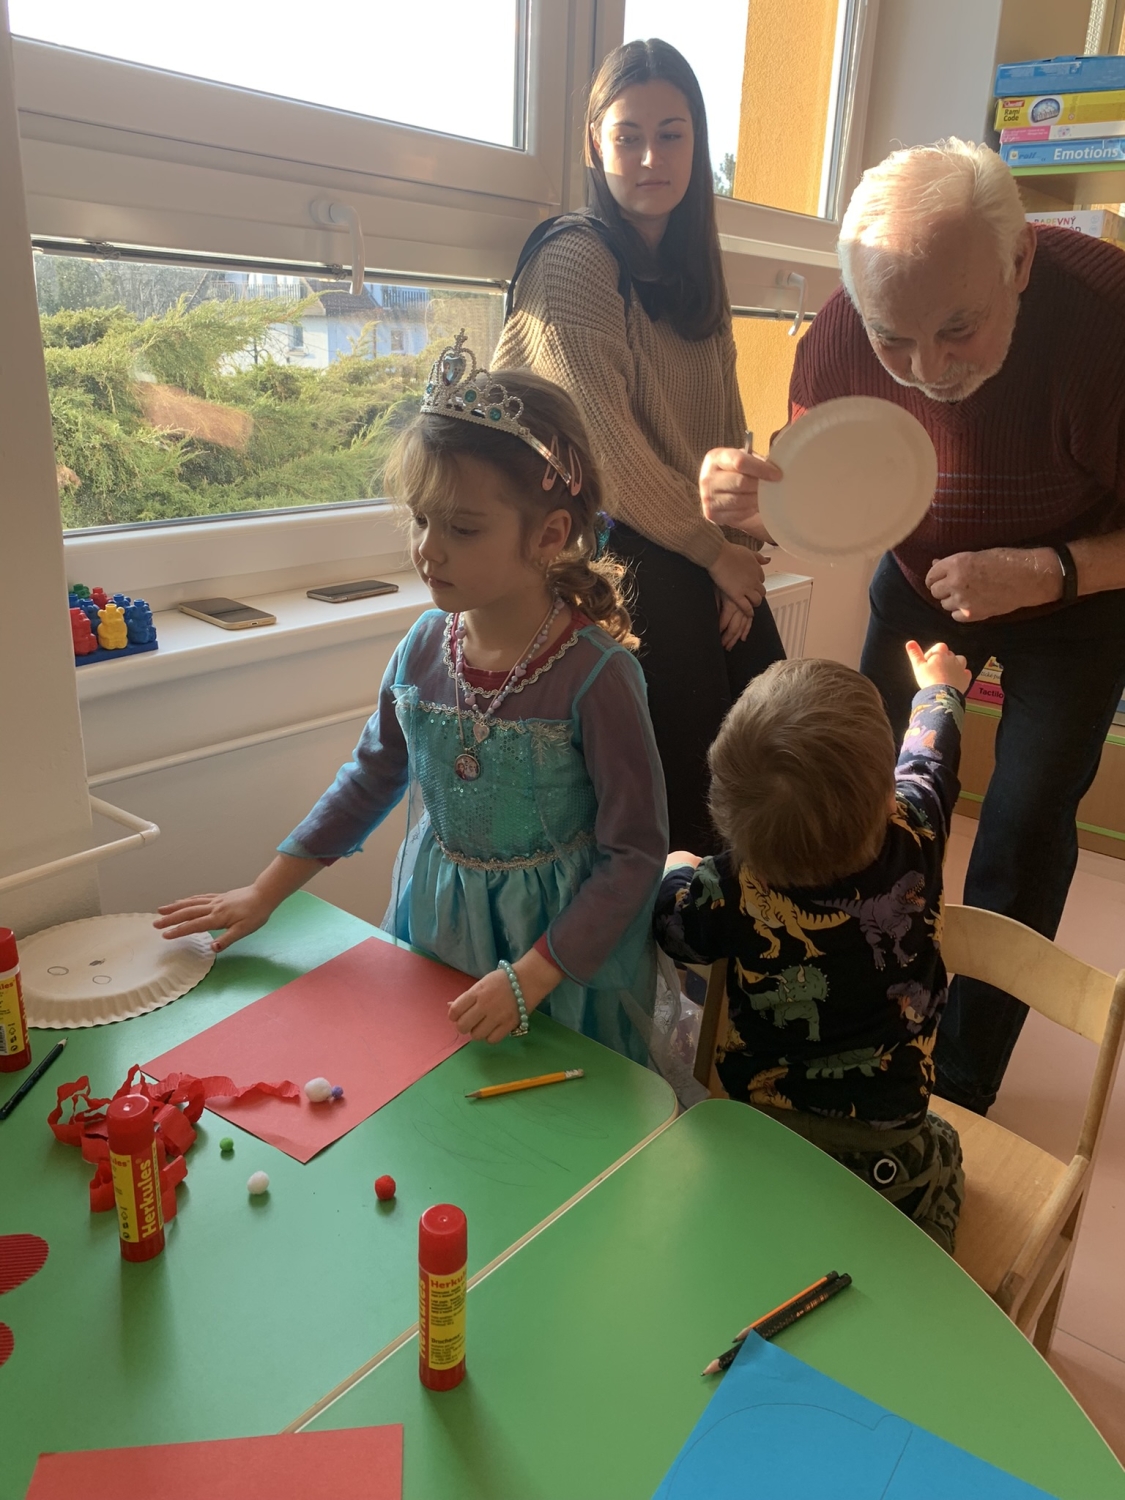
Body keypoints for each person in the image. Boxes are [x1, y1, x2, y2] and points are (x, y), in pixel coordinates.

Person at [699, 139, 1125, 1115]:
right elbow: (818, 492)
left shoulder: (1108, 321)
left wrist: (1052, 570)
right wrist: (743, 515)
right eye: (895, 338)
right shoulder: (839, 335)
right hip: (919, 578)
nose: (928, 370)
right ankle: (856, 1013)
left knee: (1022, 823)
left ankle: (964, 1082)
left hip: (1081, 590)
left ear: (1020, 261)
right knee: (856, 790)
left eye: (958, 329)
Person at [155, 342, 671, 1066]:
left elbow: (635, 854)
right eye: (421, 520)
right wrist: (265, 892)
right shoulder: (424, 646)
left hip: (554, 955)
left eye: (462, 528)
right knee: (430, 1081)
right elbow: (370, 778)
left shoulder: (597, 675)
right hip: (438, 918)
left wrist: (531, 976)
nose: (429, 550)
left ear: (550, 535)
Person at [493, 37, 785, 855]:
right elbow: (605, 456)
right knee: (693, 755)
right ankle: (686, 914)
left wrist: (735, 552)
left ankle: (765, 909)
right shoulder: (575, 258)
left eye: (671, 134)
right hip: (599, 534)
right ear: (596, 144)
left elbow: (723, 437)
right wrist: (714, 554)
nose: (651, 157)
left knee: (778, 716)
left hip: (684, 540)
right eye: (628, 136)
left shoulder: (692, 272)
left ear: (696, 143)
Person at [654, 642, 971, 1252]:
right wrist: (939, 688)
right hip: (889, 1141)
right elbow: (931, 753)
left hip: (759, 1135)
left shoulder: (730, 886)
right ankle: (915, 1254)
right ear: (885, 794)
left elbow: (672, 928)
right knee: (945, 1147)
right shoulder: (918, 826)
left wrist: (677, 870)